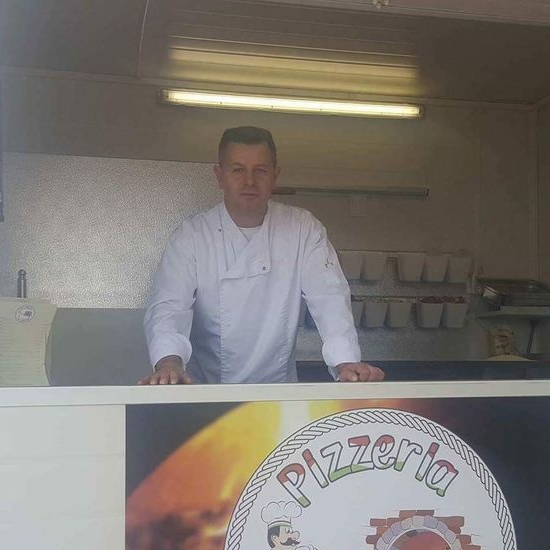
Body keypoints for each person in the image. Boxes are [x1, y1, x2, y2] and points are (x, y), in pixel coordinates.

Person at [139, 126, 384, 385]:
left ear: (275, 176)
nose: (249, 181)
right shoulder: (192, 236)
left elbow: (330, 298)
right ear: (219, 176)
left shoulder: (302, 229)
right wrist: (169, 363)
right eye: (238, 170)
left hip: (277, 393)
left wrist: (346, 362)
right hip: (208, 391)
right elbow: (170, 306)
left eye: (261, 171)